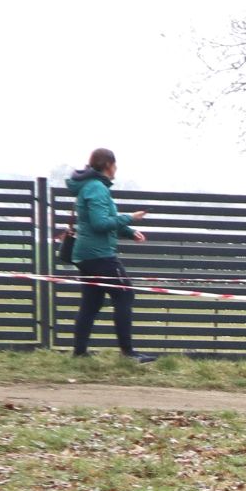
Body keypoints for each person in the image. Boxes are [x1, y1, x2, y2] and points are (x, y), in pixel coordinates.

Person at [66, 148, 156, 363]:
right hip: (100, 256)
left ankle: (79, 353)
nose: (116, 169)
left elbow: (105, 219)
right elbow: (100, 224)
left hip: (87, 256)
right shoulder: (97, 188)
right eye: (115, 164)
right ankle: (128, 353)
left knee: (91, 303)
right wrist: (130, 218)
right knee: (125, 295)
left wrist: (129, 232)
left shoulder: (91, 186)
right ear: (108, 165)